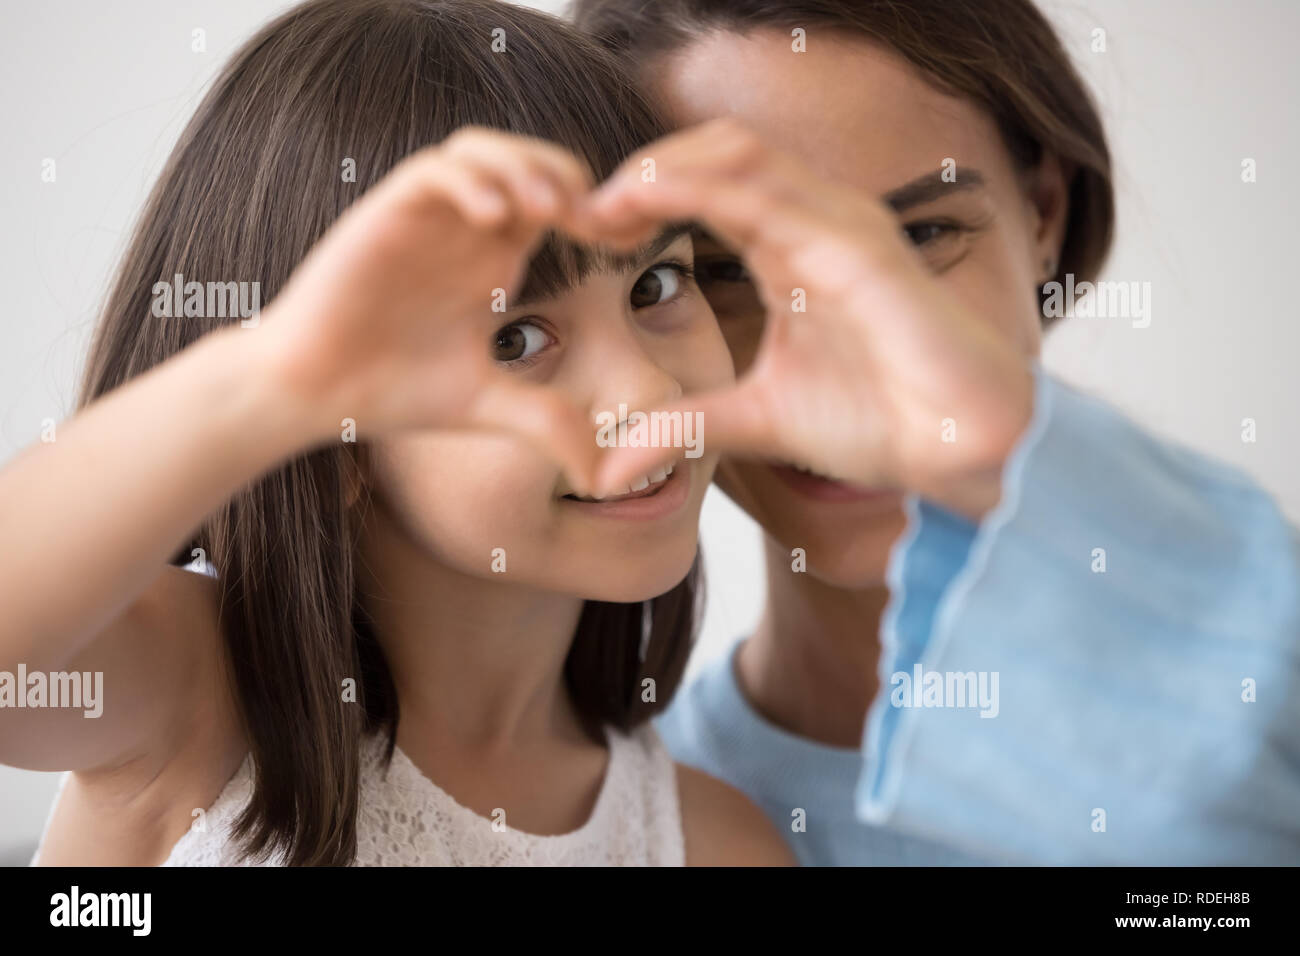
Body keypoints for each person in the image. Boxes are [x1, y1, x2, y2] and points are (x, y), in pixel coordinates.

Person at [6, 0, 791, 867]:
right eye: (514, 339)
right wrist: (274, 384)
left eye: (653, 286)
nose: (649, 392)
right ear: (337, 435)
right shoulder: (192, 698)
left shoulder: (715, 844)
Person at [572, 0, 1300, 864]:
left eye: (921, 236)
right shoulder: (630, 832)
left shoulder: (1267, 671)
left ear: (1043, 217)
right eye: (725, 268)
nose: (845, 362)